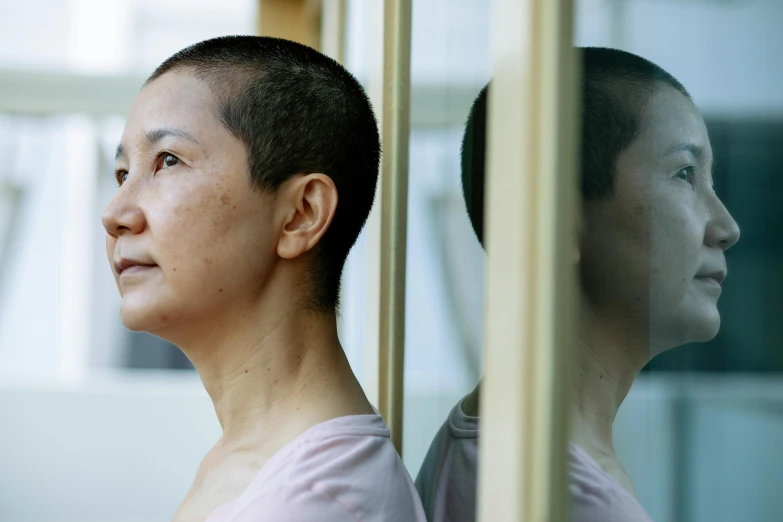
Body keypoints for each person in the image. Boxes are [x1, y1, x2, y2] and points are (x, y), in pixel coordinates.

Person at [102, 35, 426, 522]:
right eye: (123, 173)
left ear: (301, 213)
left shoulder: (316, 502)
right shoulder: (258, 460)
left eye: (168, 160)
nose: (116, 214)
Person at [415, 47, 741, 521]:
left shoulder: (485, 443)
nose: (727, 227)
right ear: (561, 221)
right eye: (685, 174)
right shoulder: (576, 502)